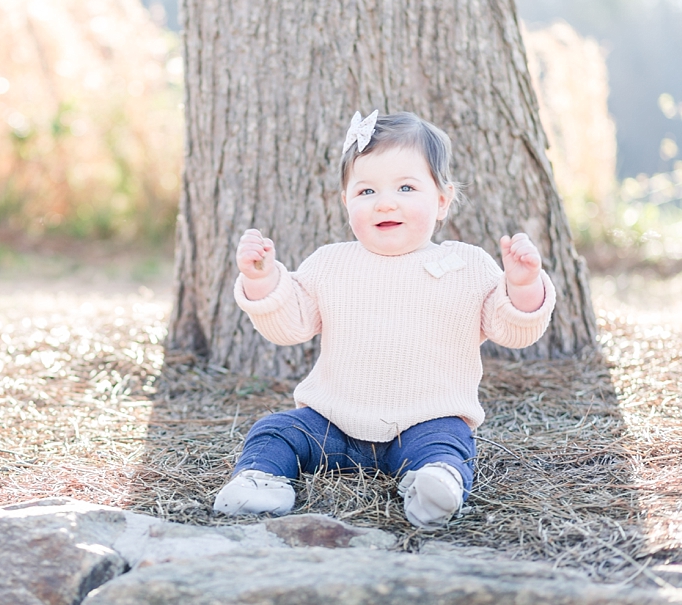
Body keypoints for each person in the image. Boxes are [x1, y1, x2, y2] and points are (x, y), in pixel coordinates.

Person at [213, 110, 556, 528]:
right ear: (346, 201)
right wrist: (263, 280)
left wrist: (522, 286)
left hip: (426, 419)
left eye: (406, 187)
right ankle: (261, 481)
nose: (385, 202)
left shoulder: (466, 264)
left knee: (449, 445)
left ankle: (433, 484)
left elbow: (512, 330)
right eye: (366, 190)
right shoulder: (331, 262)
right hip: (331, 421)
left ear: (443, 200)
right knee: (276, 431)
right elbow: (291, 324)